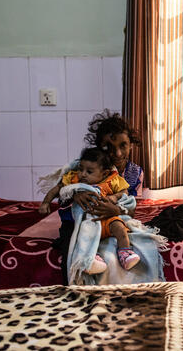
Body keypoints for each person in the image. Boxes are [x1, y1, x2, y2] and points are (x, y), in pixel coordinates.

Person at [49, 109, 145, 284]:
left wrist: (115, 209)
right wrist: (75, 194)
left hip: (112, 219)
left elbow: (132, 209)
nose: (117, 154)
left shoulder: (135, 173)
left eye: (123, 145)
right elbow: (62, 193)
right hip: (82, 219)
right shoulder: (86, 166)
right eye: (109, 147)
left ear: (131, 143)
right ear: (99, 147)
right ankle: (72, 289)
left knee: (134, 240)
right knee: (69, 250)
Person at [39, 147, 141, 273]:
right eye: (81, 169)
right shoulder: (73, 178)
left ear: (104, 173)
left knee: (119, 227)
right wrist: (45, 202)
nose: (83, 174)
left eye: (89, 171)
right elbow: (57, 189)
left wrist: (114, 197)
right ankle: (90, 258)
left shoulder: (112, 180)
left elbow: (124, 192)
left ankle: (125, 253)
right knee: (83, 235)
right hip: (83, 220)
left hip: (105, 217)